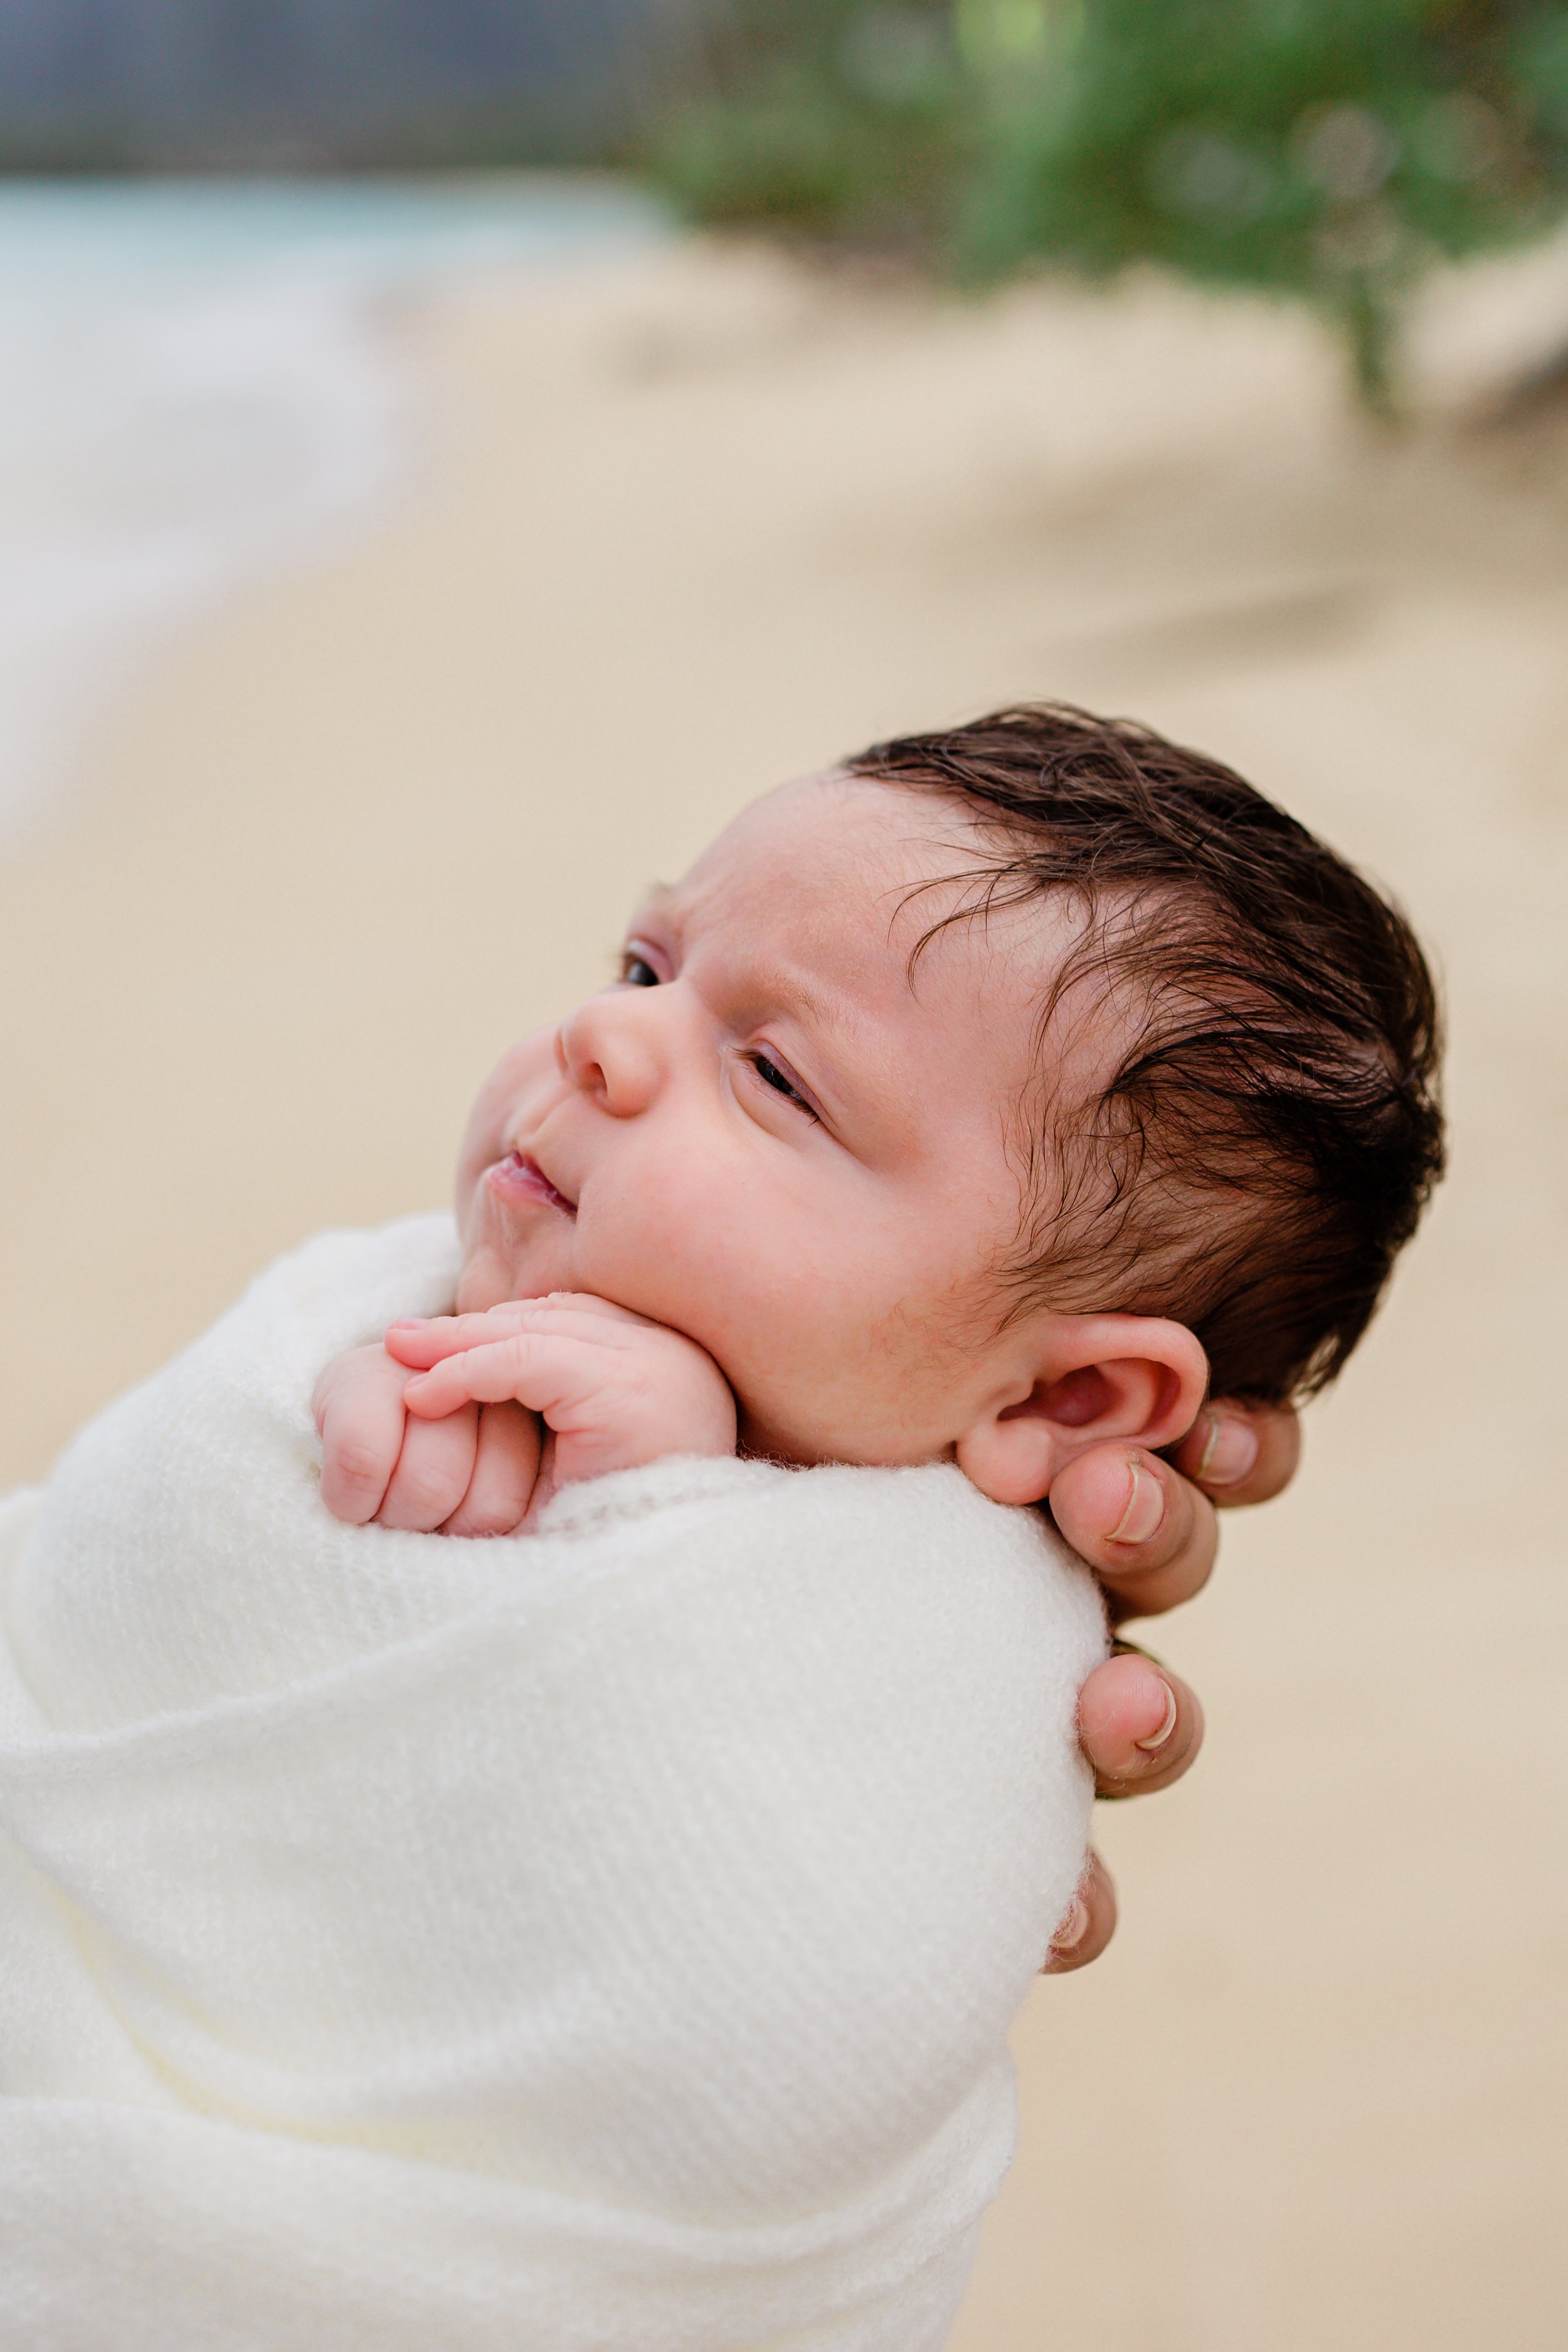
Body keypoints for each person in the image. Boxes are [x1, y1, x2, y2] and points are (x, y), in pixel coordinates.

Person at [0, 706, 1441, 2350]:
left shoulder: (930, 1655)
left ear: (1070, 1407)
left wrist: (652, 1523)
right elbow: (104, 1594)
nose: (601, 1045)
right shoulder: (370, 1298)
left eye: (770, 1073)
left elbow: (750, 2032)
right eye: (642, 964)